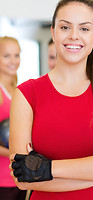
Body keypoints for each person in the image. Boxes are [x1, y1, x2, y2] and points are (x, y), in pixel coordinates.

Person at [9, 0, 93, 200]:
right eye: (65, 27)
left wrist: (48, 168)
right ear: (53, 32)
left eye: (84, 29)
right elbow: (23, 178)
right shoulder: (26, 94)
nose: (74, 36)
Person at [0, 36, 26, 199]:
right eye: (6, 56)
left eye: (16, 55)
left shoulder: (17, 89)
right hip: (2, 180)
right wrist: (14, 152)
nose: (13, 61)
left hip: (18, 177)